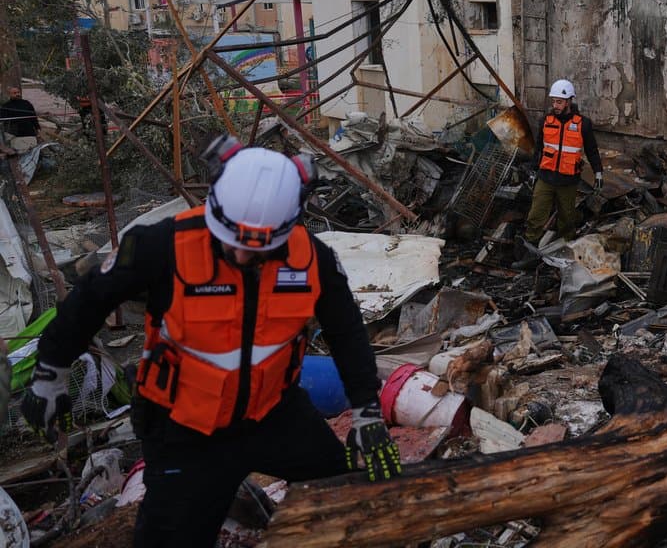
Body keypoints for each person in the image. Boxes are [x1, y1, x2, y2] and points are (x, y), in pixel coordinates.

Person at [22, 136, 401, 547]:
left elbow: (347, 332)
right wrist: (50, 374)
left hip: (275, 414)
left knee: (347, 498)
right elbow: (88, 301)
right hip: (184, 428)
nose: (242, 258)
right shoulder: (161, 246)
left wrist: (366, 410)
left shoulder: (313, 260)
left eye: (259, 250)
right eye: (233, 243)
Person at [516, 79, 603, 266]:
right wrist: (533, 170)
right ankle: (530, 254)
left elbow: (592, 150)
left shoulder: (583, 124)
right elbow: (539, 149)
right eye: (554, 101)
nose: (555, 105)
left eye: (559, 102)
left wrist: (598, 173)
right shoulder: (545, 121)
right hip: (545, 178)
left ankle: (566, 255)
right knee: (536, 215)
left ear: (569, 101)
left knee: (567, 219)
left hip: (568, 181)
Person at [0, 85, 40, 151]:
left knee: (32, 150)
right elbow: (2, 120)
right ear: (10, 94)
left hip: (29, 133)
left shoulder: (27, 103)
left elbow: (34, 118)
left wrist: (37, 129)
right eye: (14, 93)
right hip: (15, 135)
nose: (17, 94)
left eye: (18, 92)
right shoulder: (6, 106)